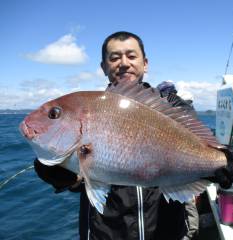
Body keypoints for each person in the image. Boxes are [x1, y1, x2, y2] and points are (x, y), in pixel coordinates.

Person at [34, 31, 199, 240]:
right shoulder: (90, 111)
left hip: (167, 231)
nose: (123, 63)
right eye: (114, 58)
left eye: (131, 56)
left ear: (145, 63)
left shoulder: (171, 105)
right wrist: (60, 173)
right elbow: (80, 179)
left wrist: (220, 161)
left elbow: (198, 139)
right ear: (103, 67)